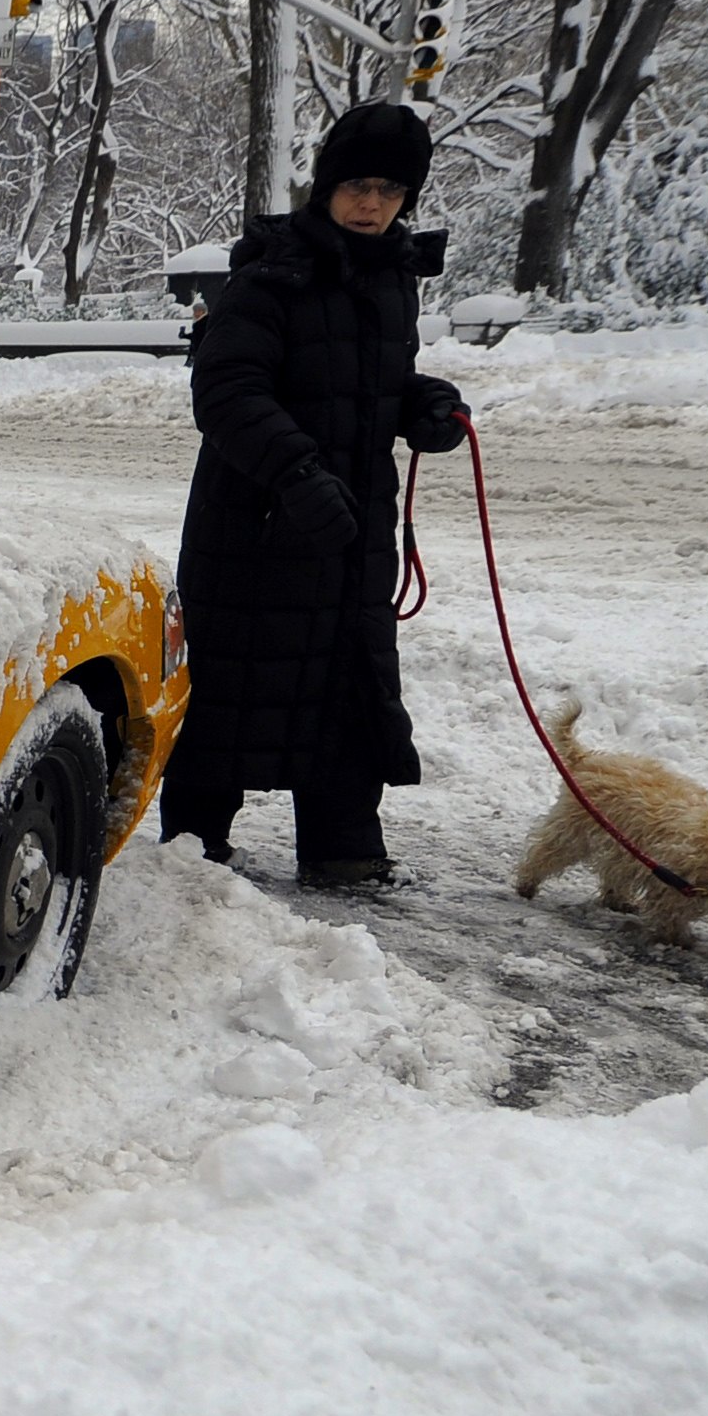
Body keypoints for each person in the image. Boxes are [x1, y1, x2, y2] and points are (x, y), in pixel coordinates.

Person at [159, 102, 469, 886]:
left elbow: (366, 384)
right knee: (231, 687)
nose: (372, 204)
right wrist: (295, 471)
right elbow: (226, 392)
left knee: (349, 683)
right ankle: (192, 855)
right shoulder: (267, 278)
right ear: (327, 184)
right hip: (255, 526)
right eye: (358, 185)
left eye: (391, 191)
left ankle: (342, 847)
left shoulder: (393, 281)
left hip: (352, 526)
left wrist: (422, 404)